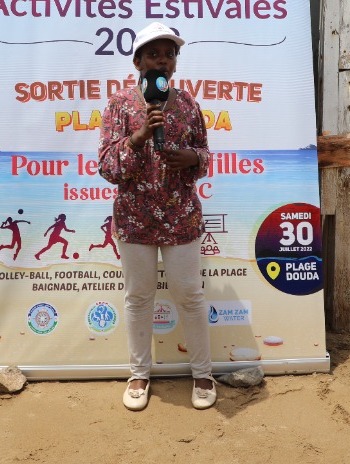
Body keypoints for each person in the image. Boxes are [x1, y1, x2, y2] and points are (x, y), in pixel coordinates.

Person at [97, 22, 214, 411]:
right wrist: (139, 136)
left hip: (181, 218)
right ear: (137, 62)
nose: (162, 60)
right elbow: (109, 168)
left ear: (175, 64)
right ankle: (138, 374)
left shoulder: (189, 105)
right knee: (138, 298)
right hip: (135, 219)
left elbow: (206, 156)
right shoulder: (118, 106)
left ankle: (202, 373)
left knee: (190, 296)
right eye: (153, 54)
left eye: (169, 54)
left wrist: (194, 158)